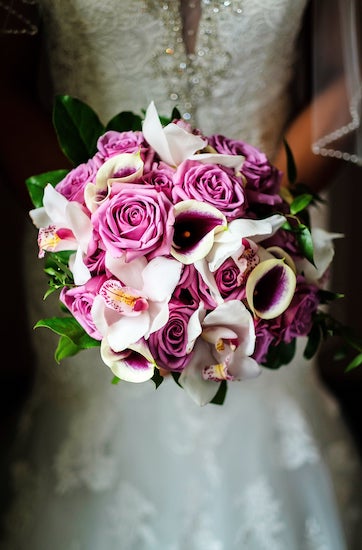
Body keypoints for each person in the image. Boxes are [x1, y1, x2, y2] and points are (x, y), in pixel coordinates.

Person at [0, 1, 362, 549]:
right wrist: (93, 229)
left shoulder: (264, 237)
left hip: (264, 246)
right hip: (97, 251)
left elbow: (347, 81)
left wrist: (262, 222)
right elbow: (3, 85)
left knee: (257, 432)